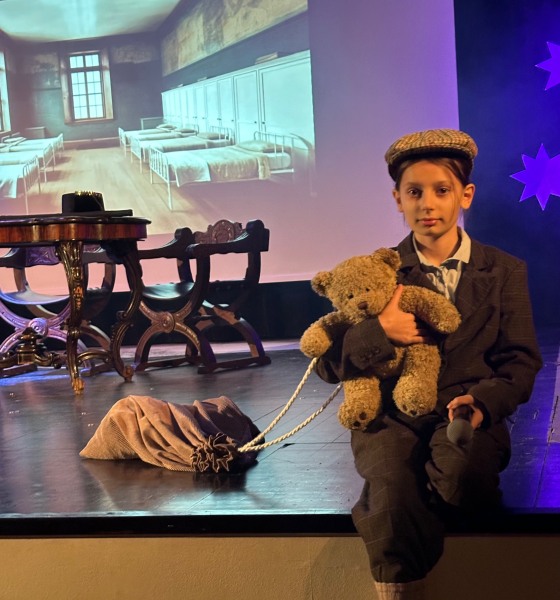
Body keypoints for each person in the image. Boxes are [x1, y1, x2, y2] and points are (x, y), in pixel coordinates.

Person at [314, 129, 543, 599]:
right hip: (391, 416)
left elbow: (520, 362)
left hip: (465, 413)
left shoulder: (504, 270)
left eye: (441, 190)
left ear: (465, 195)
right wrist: (381, 332)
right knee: (393, 498)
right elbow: (325, 364)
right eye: (414, 192)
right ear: (397, 199)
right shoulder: (376, 272)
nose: (427, 204)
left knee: (462, 479)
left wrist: (480, 404)